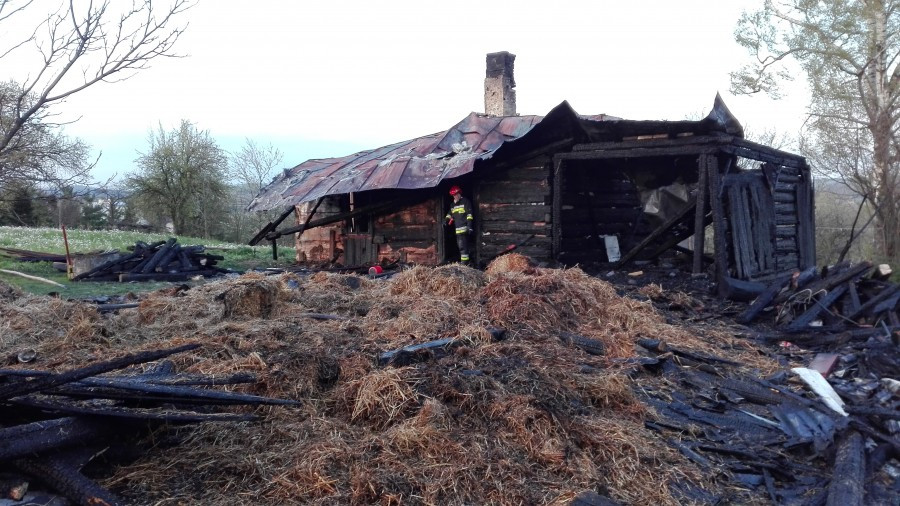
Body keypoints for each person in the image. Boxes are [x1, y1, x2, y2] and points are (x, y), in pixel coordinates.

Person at [445, 185, 474, 265]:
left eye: (457, 194)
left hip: (464, 229)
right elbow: (449, 214)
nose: (456, 196)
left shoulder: (465, 202)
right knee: (461, 247)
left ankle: (465, 264)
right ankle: (465, 262)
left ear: (460, 193)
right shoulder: (452, 205)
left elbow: (469, 215)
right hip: (457, 231)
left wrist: (469, 226)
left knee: (463, 247)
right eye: (454, 195)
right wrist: (445, 220)